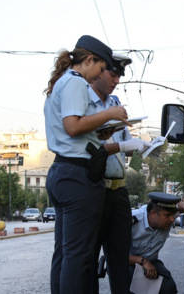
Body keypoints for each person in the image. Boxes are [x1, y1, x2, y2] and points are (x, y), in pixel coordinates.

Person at [44, 35, 132, 294]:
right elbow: (72, 127)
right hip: (77, 176)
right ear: (90, 60)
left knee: (64, 252)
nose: (101, 75)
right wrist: (110, 113)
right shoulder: (74, 83)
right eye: (103, 69)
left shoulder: (61, 83)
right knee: (79, 256)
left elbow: (72, 129)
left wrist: (100, 132)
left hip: (62, 171)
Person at [88, 53, 151, 294]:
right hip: (96, 189)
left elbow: (125, 144)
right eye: (112, 74)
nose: (116, 80)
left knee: (120, 254)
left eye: (119, 76)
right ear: (98, 71)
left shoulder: (115, 103)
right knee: (89, 256)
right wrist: (126, 146)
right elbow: (90, 147)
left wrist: (145, 147)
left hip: (119, 189)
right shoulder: (85, 104)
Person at [128, 192, 184, 294]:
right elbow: (115, 256)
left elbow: (182, 206)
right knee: (130, 285)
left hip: (152, 262)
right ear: (153, 214)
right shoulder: (131, 221)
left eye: (173, 215)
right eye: (167, 216)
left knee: (169, 288)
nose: (172, 219)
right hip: (128, 263)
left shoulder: (166, 214)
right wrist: (142, 261)